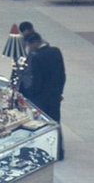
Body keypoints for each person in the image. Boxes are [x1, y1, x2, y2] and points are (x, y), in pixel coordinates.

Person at [19, 32, 66, 160]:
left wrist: (30, 94)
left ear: (33, 43)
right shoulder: (56, 51)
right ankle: (59, 151)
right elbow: (62, 75)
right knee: (55, 122)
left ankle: (45, 150)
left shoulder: (36, 57)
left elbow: (36, 80)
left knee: (41, 124)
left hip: (40, 97)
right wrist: (59, 92)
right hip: (54, 95)